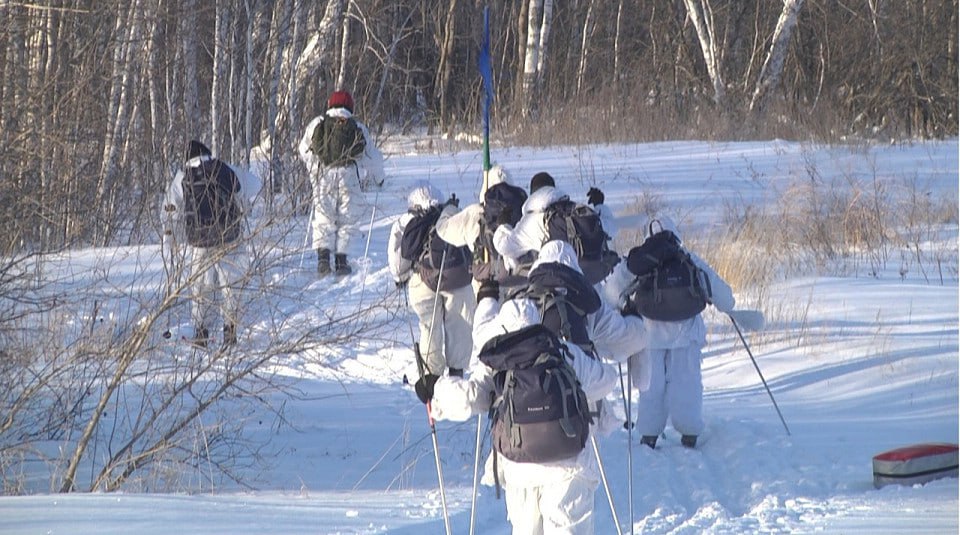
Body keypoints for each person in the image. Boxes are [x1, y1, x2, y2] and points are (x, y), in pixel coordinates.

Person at [420, 270, 619, 534]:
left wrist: (435, 392)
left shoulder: (498, 360)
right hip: (569, 462)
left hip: (518, 464)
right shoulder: (562, 350)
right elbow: (604, 381)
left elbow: (469, 398)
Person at [605, 216, 735, 448]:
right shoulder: (688, 259)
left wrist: (621, 308)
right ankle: (689, 432)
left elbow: (611, 293)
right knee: (687, 383)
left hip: (649, 335)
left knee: (651, 385)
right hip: (687, 334)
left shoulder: (640, 262)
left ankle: (649, 435)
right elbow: (724, 297)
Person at [162, 140, 259, 347]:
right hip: (228, 234)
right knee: (230, 283)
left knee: (201, 286)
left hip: (199, 240)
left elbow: (169, 211)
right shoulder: (223, 168)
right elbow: (255, 186)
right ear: (207, 153)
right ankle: (230, 329)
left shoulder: (183, 178)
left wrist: (169, 240)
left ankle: (201, 332)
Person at [388, 183, 475, 378]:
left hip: (424, 281)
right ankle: (456, 373)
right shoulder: (453, 214)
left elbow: (397, 262)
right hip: (458, 279)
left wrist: (400, 277)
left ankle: (431, 376)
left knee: (429, 327)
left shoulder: (406, 221)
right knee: (460, 325)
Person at [298, 90, 386, 277]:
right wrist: (379, 179)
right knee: (348, 219)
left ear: (330, 105)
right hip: (349, 177)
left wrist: (315, 169)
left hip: (324, 176)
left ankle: (323, 259)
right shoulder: (358, 128)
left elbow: (304, 150)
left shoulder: (318, 124)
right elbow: (373, 158)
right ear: (350, 107)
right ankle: (341, 261)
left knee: (324, 217)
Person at [493, 172, 618, 286]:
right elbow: (611, 228)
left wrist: (503, 224)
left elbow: (504, 246)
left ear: (532, 194)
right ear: (554, 189)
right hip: (591, 279)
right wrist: (599, 205)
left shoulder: (533, 220)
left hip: (559, 282)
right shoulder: (577, 210)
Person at [434, 164, 528, 288]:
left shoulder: (476, 214)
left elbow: (444, 229)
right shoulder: (524, 211)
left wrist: (450, 208)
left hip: (488, 285)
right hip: (521, 281)